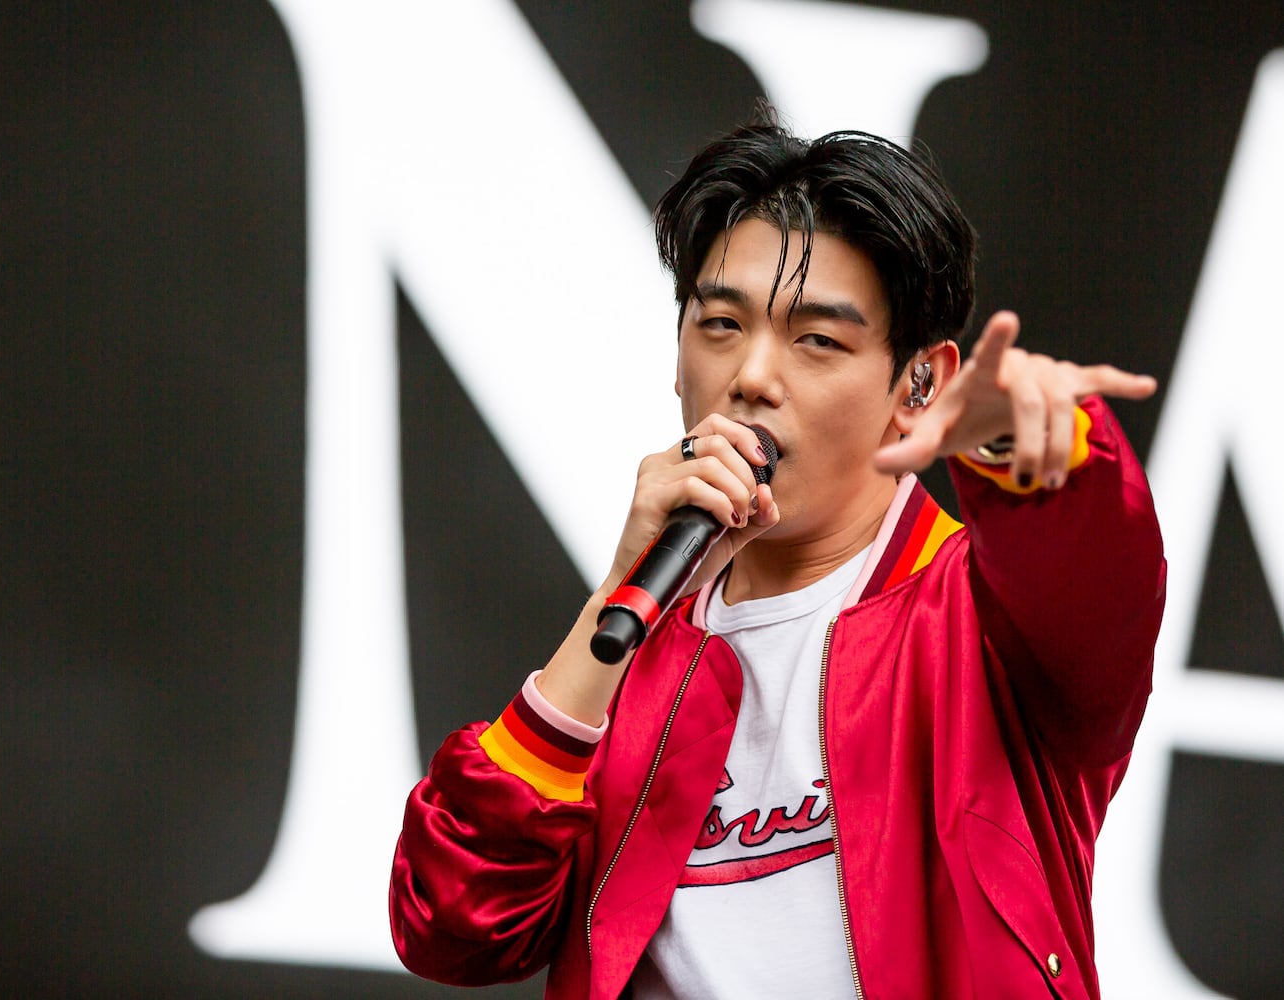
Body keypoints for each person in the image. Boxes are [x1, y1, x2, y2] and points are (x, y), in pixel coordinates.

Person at [388, 107, 1165, 1000]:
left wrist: (1028, 441)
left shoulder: (985, 622)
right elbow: (451, 925)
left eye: (817, 340)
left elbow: (1093, 566)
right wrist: (613, 594)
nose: (753, 375)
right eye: (720, 325)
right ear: (677, 357)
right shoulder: (637, 646)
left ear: (919, 385)